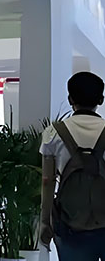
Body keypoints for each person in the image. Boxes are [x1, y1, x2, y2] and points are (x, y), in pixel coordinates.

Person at [40, 71, 105, 260]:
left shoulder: (53, 133)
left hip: (70, 225)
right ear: (101, 100)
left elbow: (47, 181)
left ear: (70, 99)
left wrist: (45, 222)